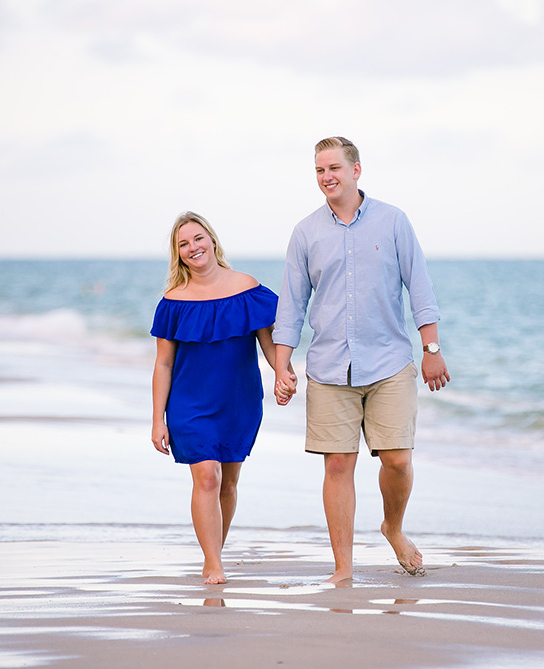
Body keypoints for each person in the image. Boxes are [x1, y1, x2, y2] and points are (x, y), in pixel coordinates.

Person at [272, 137, 450, 583]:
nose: (326, 177)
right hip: (330, 368)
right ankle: (343, 568)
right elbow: (291, 306)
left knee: (398, 460)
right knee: (337, 465)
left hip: (389, 362)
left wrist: (431, 350)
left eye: (333, 167)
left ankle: (392, 526)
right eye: (319, 171)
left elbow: (420, 288)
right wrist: (281, 367)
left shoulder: (393, 221)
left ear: (356, 170)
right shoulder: (305, 232)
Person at [151, 211, 295, 585]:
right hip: (189, 405)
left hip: (239, 401)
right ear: (178, 254)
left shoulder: (246, 286)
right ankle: (213, 562)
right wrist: (157, 420)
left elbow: (269, 342)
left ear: (212, 241)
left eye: (198, 239)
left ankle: (214, 551)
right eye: (183, 244)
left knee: (228, 483)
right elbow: (163, 365)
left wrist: (283, 372)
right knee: (208, 477)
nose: (193, 248)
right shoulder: (173, 300)